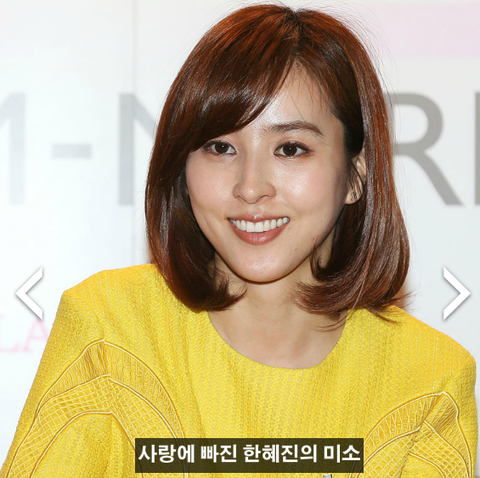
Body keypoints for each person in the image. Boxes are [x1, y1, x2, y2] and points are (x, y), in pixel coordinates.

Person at [1, 4, 477, 477]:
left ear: (356, 174)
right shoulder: (110, 331)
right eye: (221, 147)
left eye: (290, 148)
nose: (251, 188)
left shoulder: (428, 380)